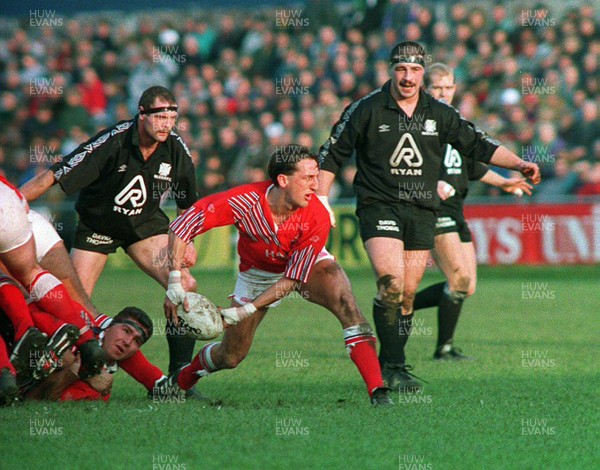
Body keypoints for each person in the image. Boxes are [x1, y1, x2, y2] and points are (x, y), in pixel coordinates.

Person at [317, 42, 540, 392]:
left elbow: (479, 145)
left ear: (422, 73)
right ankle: (391, 367)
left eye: (414, 71)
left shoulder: (438, 113)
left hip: (422, 211)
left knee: (407, 293)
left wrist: (520, 164)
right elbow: (332, 154)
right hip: (380, 206)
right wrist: (322, 200)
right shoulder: (367, 108)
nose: (407, 77)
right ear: (391, 70)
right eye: (401, 70)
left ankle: (392, 365)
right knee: (390, 282)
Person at [163, 146, 393, 406]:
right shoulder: (245, 201)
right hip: (258, 274)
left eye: (317, 177)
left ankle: (377, 390)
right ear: (283, 180)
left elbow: (294, 278)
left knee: (346, 302)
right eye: (308, 178)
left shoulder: (315, 214)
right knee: (231, 356)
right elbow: (182, 226)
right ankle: (181, 379)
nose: (316, 185)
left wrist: (244, 311)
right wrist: (174, 280)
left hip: (302, 265)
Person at [19, 86, 199, 376]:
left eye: (172, 117)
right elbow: (55, 174)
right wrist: (13, 202)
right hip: (97, 228)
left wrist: (187, 241)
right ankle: (57, 373)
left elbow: (187, 205)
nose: (167, 123)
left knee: (185, 286)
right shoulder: (111, 142)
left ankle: (180, 377)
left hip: (144, 228)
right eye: (160, 116)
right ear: (141, 114)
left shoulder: (175, 148)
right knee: (72, 306)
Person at [413, 62, 533, 360]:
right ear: (425, 89)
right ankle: (442, 347)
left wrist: (504, 182)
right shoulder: (419, 124)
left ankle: (399, 305)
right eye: (437, 87)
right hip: (434, 209)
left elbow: (473, 166)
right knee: (458, 281)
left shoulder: (453, 122)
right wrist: (429, 185)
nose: (443, 92)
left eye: (448, 86)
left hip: (456, 210)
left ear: (455, 88)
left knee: (467, 286)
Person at [0, 175, 106, 381]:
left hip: (19, 211)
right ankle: (87, 339)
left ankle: (7, 371)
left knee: (9, 284)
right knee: (32, 274)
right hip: (15, 207)